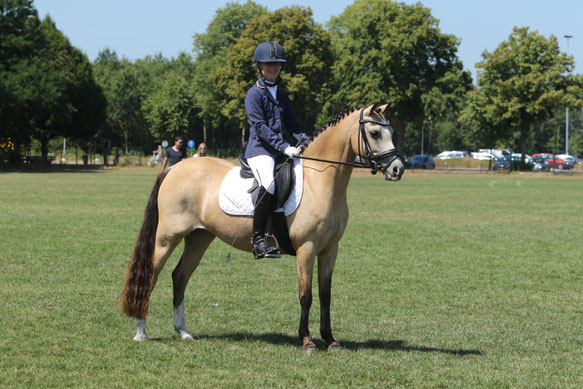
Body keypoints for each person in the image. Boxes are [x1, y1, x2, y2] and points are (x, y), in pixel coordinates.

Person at [244, 41, 310, 259]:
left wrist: (306, 140)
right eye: (268, 64)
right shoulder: (254, 94)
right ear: (260, 66)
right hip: (259, 151)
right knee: (269, 184)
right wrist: (284, 146)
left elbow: (293, 125)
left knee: (292, 181)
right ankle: (258, 240)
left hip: (281, 151)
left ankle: (283, 235)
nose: (273, 67)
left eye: (277, 64)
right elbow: (260, 127)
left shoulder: (282, 95)